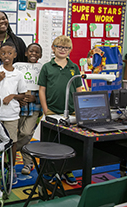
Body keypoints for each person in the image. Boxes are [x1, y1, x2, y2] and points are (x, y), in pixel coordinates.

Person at [38, 35, 82, 185]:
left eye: (66, 48)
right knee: (51, 143)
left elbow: (79, 88)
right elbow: (42, 90)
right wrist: (46, 109)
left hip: (70, 112)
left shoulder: (74, 67)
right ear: (53, 48)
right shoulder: (47, 67)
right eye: (60, 47)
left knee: (69, 143)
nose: (63, 50)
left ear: (70, 50)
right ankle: (50, 171)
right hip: (53, 112)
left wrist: (78, 109)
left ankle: (66, 169)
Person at [0, 42, 27, 185]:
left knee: (12, 142)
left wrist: (12, 96)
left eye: (10, 53)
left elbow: (23, 95)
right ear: (0, 55)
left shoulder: (18, 74)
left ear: (15, 55)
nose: (6, 56)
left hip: (11, 115)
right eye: (3, 53)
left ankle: (11, 167)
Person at [16, 43, 43, 175]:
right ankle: (28, 163)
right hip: (19, 108)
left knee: (26, 133)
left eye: (37, 52)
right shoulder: (18, 68)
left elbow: (45, 91)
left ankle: (12, 149)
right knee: (18, 134)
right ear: (26, 53)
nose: (33, 54)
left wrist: (35, 99)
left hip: (35, 108)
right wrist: (18, 98)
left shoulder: (42, 70)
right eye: (31, 51)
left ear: (41, 55)